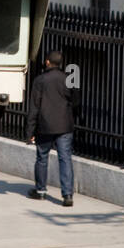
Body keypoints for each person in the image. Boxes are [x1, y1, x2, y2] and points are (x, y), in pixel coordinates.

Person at [25, 48, 79, 207]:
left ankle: (41, 190)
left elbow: (34, 107)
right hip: (64, 125)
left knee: (42, 158)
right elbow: (75, 101)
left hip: (45, 125)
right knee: (65, 158)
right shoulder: (68, 79)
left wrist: (30, 131)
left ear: (47, 62)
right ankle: (67, 194)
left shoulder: (40, 80)